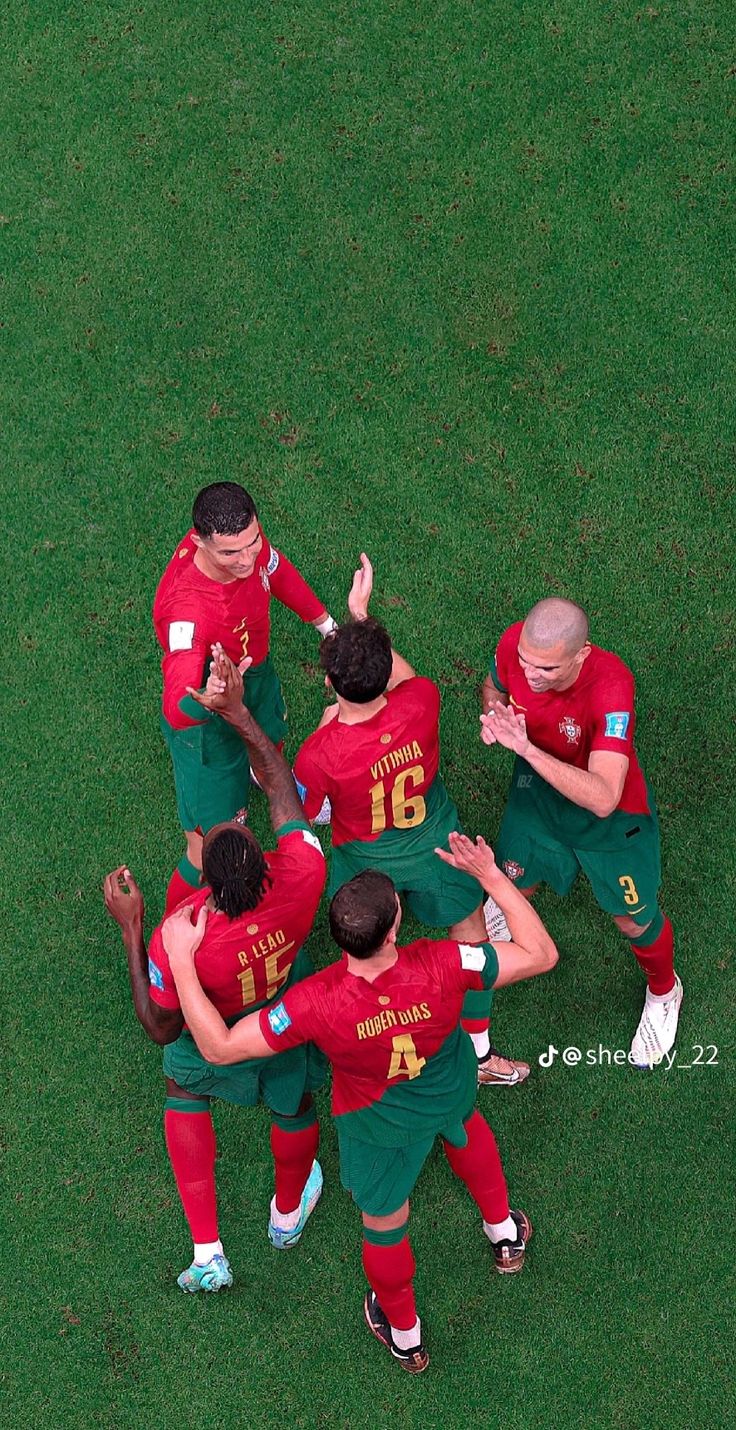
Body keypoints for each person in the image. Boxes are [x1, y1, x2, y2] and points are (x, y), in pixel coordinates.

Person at [160, 832, 559, 1371]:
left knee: (385, 1227)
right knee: (465, 1129)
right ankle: (504, 1235)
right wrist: (489, 876)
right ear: (396, 927)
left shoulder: (312, 1003)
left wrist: (182, 962)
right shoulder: (447, 961)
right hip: (446, 1087)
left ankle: (407, 1335)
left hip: (378, 1126)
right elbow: (541, 953)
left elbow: (219, 1047)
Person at [103, 674, 327, 1292]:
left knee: (183, 1081)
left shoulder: (184, 930)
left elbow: (161, 1026)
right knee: (295, 1101)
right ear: (261, 862)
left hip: (216, 1026)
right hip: (281, 1013)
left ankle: (208, 1254)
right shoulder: (303, 874)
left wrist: (132, 928)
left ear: (210, 884)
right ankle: (287, 1215)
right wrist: (241, 717)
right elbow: (282, 790)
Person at [290, 553, 529, 1087]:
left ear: (330, 683)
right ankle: (480, 1053)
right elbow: (404, 675)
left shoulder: (319, 753)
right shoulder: (422, 700)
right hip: (439, 844)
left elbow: (308, 816)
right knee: (471, 941)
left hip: (368, 861)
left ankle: (371, 1028)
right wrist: (362, 617)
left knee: (364, 944)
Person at [481, 597, 682, 1068]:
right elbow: (491, 687)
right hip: (539, 797)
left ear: (581, 653)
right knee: (514, 883)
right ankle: (508, 914)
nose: (530, 676)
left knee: (632, 919)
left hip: (609, 819)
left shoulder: (612, 686)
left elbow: (603, 795)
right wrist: (495, 716)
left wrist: (525, 749)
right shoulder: (517, 646)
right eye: (526, 662)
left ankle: (664, 992)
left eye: (546, 669)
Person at [153, 480, 337, 912]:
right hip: (207, 719)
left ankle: (264, 775)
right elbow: (175, 708)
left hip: (252, 675)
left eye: (252, 543)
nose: (247, 559)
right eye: (231, 553)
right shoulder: (186, 609)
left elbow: (275, 568)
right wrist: (208, 695)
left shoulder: (244, 541)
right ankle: (166, 939)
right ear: (199, 541)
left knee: (270, 739)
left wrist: (327, 625)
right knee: (210, 848)